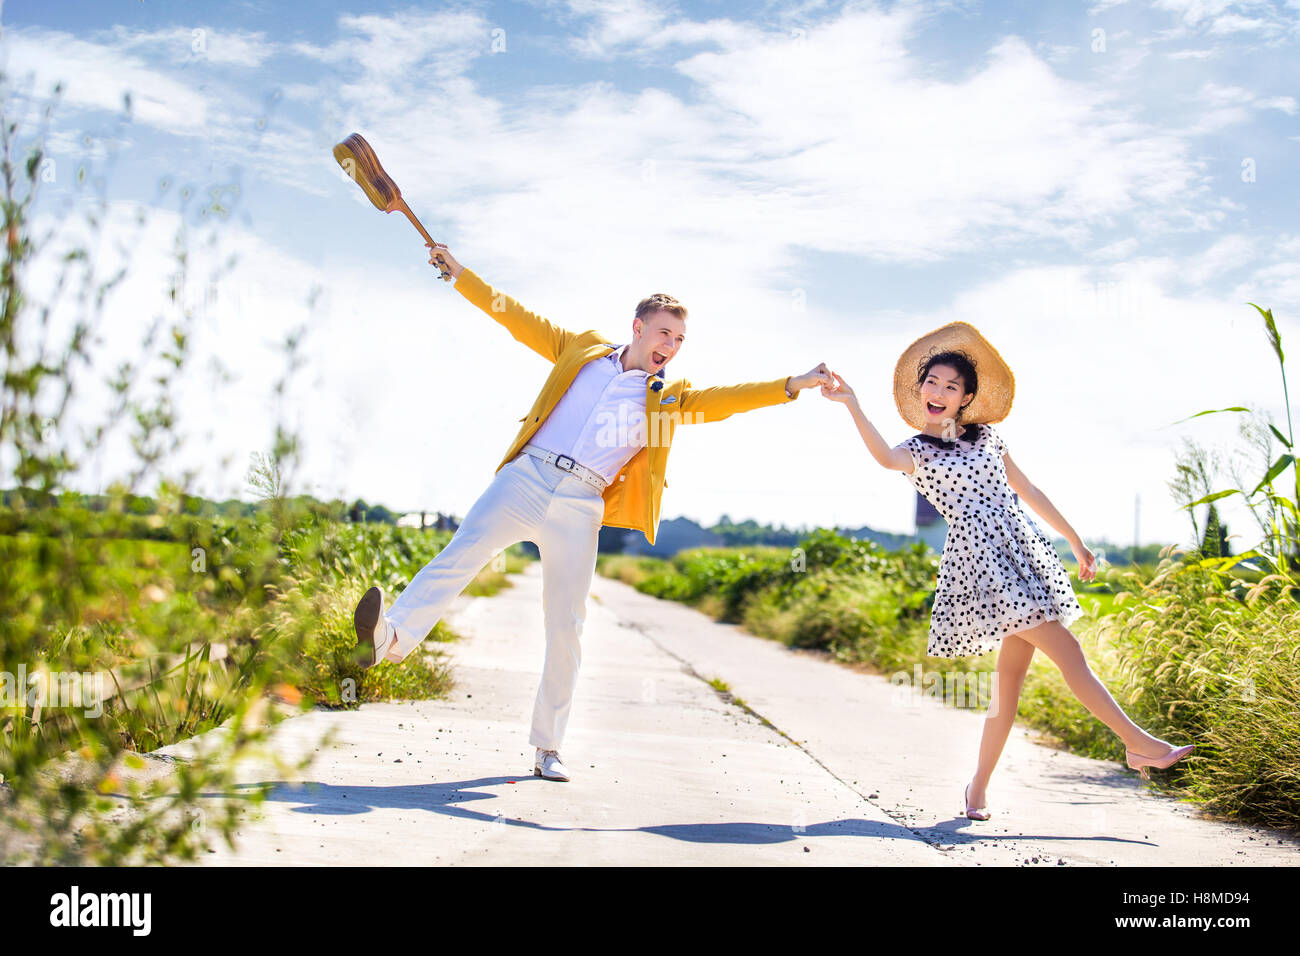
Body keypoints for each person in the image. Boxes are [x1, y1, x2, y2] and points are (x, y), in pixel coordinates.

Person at [353, 240, 833, 782]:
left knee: (567, 625)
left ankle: (548, 747)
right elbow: (514, 317)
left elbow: (724, 399)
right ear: (638, 327)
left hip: (581, 502)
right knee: (459, 554)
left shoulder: (668, 396)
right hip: (527, 475)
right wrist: (461, 273)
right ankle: (391, 639)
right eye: (664, 333)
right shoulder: (579, 350)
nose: (671, 346)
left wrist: (792, 385)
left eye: (679, 339)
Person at [818, 321, 1193, 820]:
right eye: (932, 382)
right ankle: (1138, 742)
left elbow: (1030, 492)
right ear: (919, 389)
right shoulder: (918, 450)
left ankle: (977, 790)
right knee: (1070, 651)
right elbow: (885, 457)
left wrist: (1077, 542)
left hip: (1023, 553)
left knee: (1009, 683)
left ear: (965, 397)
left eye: (951, 386)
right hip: (983, 566)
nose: (939, 392)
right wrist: (852, 404)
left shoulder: (990, 438)